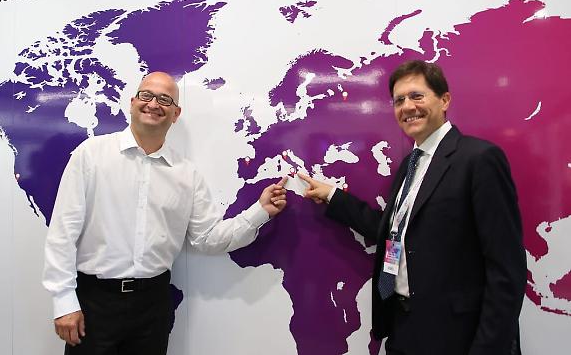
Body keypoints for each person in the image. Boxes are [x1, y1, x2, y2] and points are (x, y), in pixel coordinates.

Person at [43, 71, 287, 355]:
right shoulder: (91, 155)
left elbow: (207, 238)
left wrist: (260, 211)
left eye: (164, 99)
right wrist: (64, 302)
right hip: (94, 304)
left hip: (153, 307)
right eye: (146, 95)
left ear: (175, 113)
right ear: (132, 102)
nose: (153, 104)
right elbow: (63, 232)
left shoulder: (186, 175)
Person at [299, 60, 525, 355]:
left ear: (444, 100)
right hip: (403, 327)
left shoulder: (478, 159)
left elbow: (506, 268)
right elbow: (393, 232)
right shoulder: (410, 164)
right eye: (399, 100)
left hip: (457, 336)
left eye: (417, 96)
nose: (407, 107)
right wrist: (333, 196)